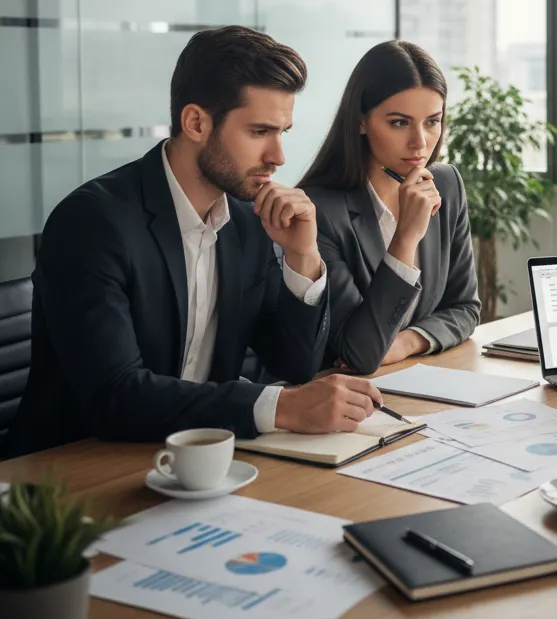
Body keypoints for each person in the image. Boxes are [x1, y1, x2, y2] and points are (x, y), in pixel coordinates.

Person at [7, 26, 383, 459]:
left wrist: (303, 255)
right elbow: (115, 397)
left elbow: (294, 365)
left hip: (198, 459)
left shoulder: (246, 221)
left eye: (283, 132)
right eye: (260, 131)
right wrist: (278, 407)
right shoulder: (92, 223)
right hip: (72, 474)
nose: (278, 156)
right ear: (196, 122)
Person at [299, 40, 480, 375]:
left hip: (417, 378)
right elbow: (360, 352)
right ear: (360, 121)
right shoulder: (318, 210)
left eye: (432, 121)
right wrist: (406, 238)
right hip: (341, 395)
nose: (421, 142)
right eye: (399, 122)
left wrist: (407, 342)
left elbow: (465, 307)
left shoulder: (447, 184)